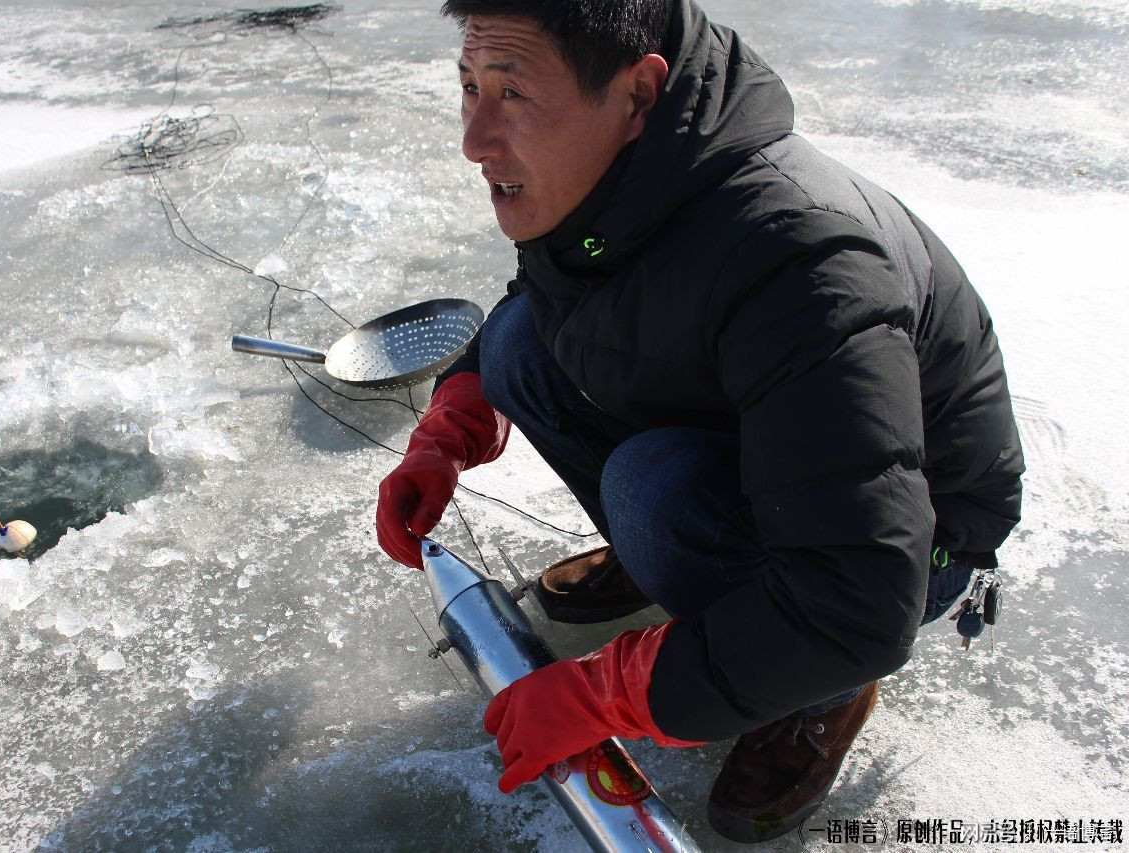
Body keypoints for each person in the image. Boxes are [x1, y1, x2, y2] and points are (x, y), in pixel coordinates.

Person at [375, 0, 1024, 842]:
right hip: (776, 440)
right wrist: (449, 429)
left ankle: (819, 693)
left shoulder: (801, 258)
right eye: (469, 87)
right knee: (517, 344)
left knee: (656, 496)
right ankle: (688, 570)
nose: (474, 139)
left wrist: (609, 691)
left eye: (514, 94)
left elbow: (860, 597)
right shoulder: (621, 171)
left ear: (638, 94)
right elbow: (552, 298)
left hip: (908, 545)